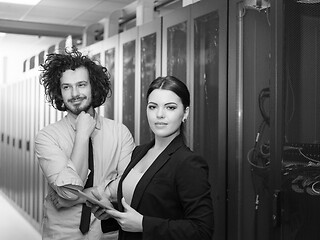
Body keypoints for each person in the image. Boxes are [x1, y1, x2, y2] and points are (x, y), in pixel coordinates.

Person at [89, 76, 214, 240]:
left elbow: (202, 230)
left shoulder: (188, 163)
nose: (159, 114)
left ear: (185, 112)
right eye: (153, 107)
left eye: (170, 107)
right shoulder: (139, 152)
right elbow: (146, 206)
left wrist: (143, 224)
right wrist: (111, 213)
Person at [35, 47, 135, 240]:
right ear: (59, 92)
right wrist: (82, 134)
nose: (74, 93)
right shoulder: (47, 136)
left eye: (81, 85)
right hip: (62, 235)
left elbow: (127, 186)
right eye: (66, 87)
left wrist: (85, 193)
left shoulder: (119, 132)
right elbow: (69, 193)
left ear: (93, 87)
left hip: (107, 234)